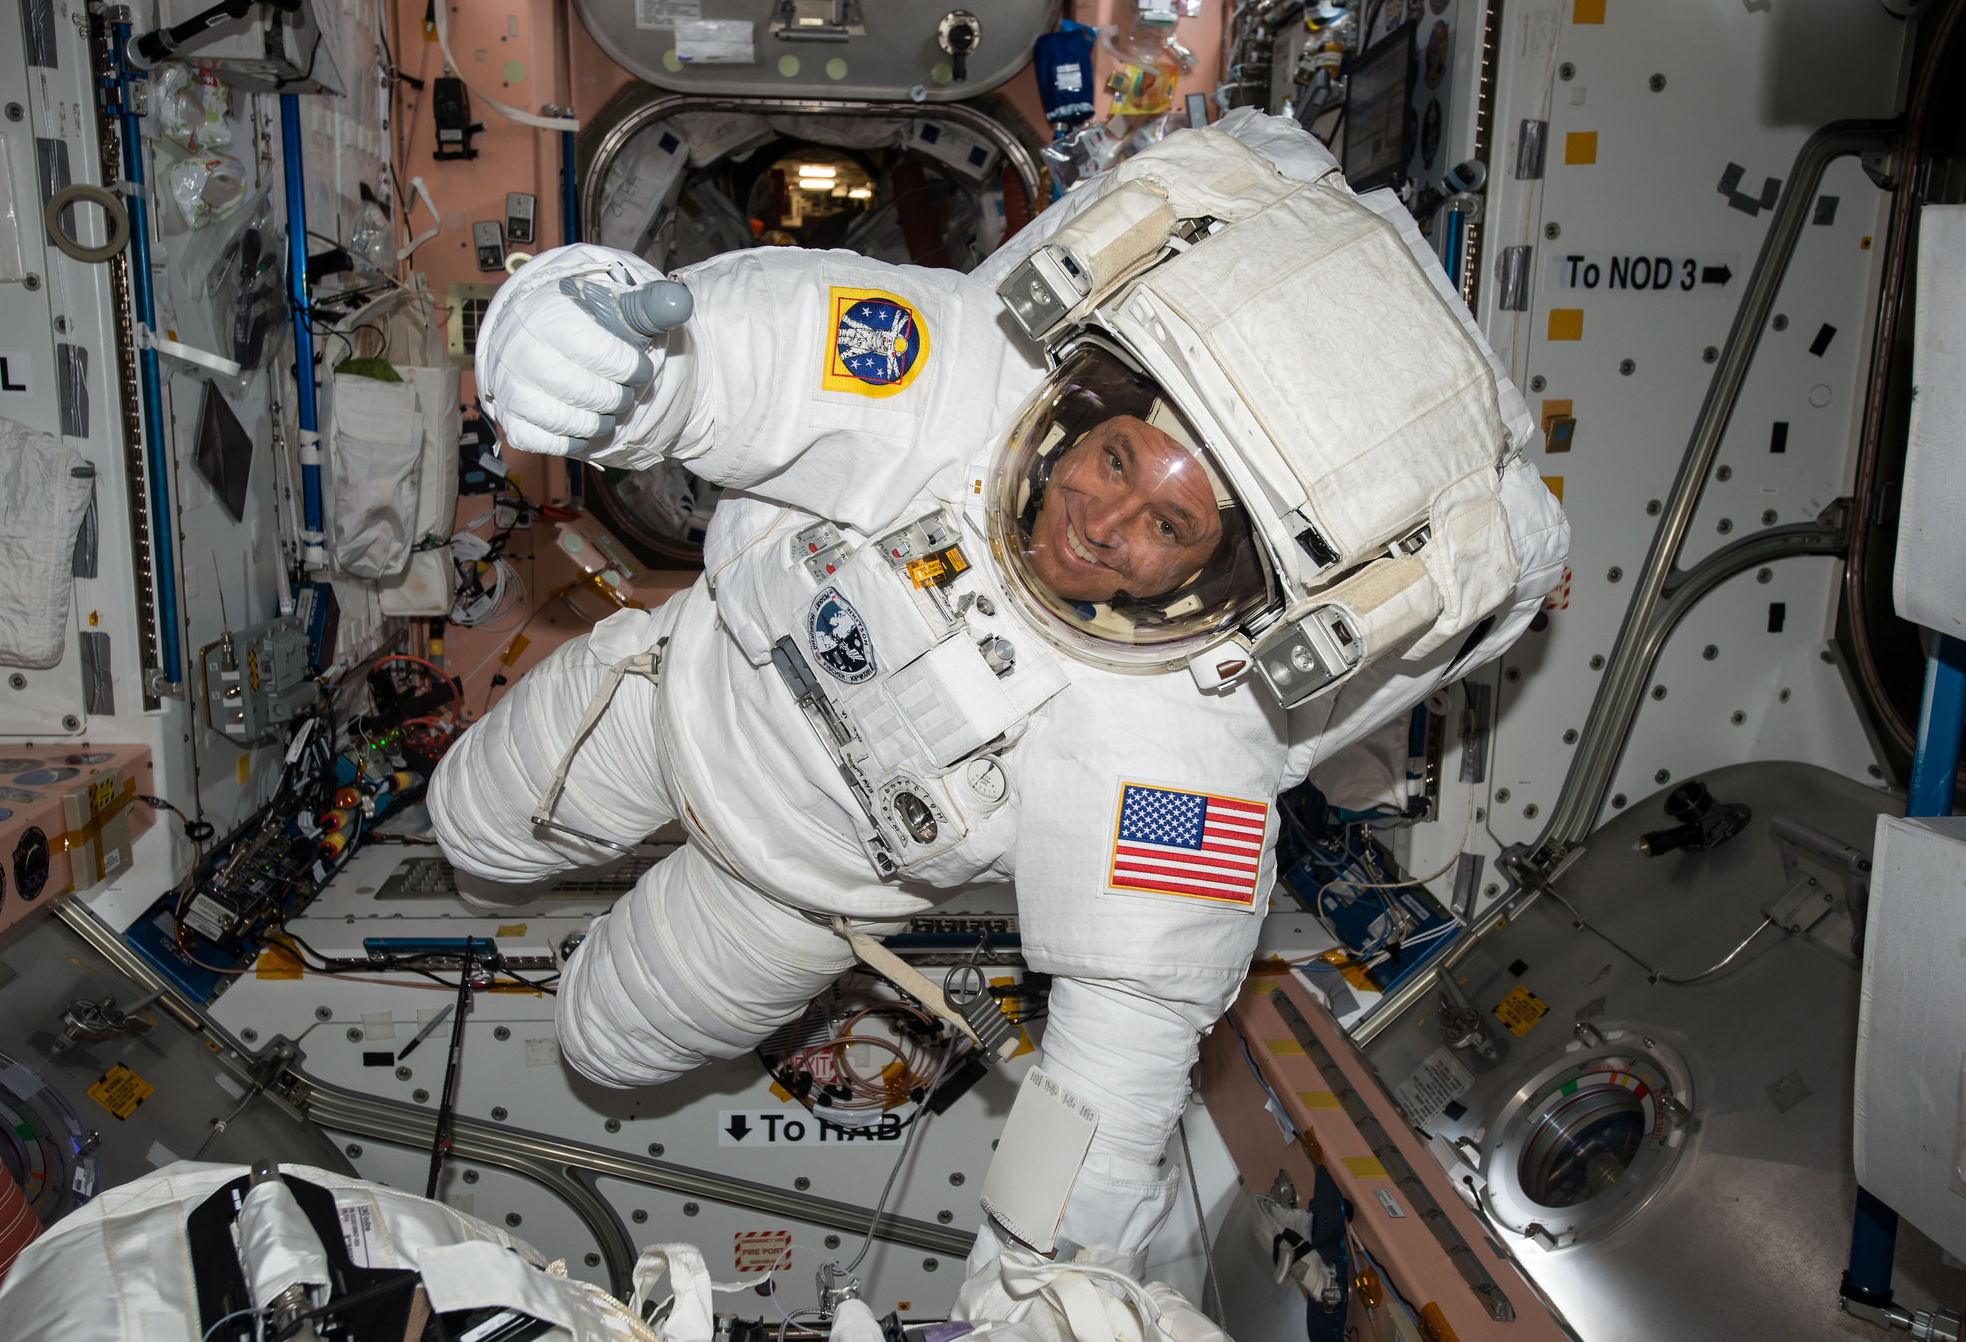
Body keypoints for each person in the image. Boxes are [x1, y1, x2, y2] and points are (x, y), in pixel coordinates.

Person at [428, 109, 1568, 1280]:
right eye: (1116, 458)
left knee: (604, 1042)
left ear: (1220, 573)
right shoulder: (959, 378)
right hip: (666, 698)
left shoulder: (1183, 732)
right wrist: (587, 345)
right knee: (466, 821)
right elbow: (729, 353)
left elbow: (1116, 1062)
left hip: (789, 892)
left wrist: (1036, 1277)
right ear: (1082, 413)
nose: (1104, 520)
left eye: (1169, 526)